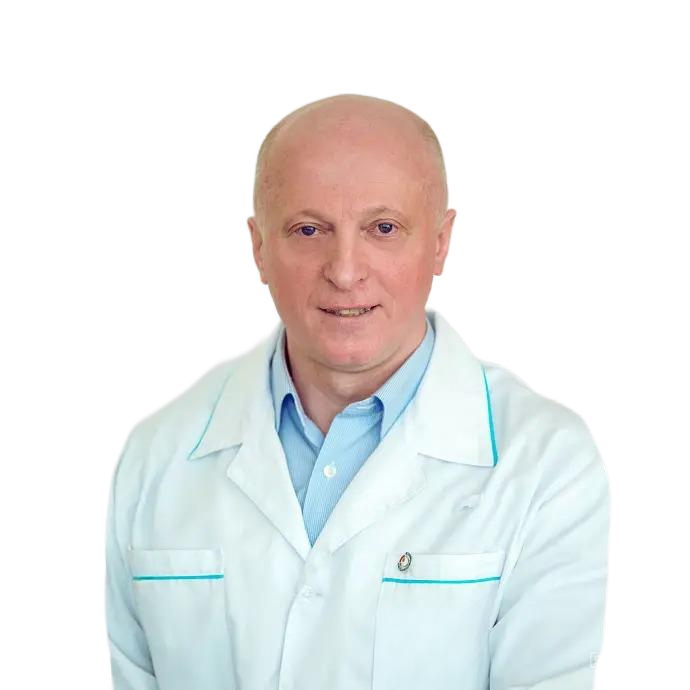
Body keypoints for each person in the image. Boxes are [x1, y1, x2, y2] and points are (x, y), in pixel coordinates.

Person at [102, 92, 612, 689]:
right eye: (309, 229)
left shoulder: (547, 461)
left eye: (383, 228)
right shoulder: (157, 450)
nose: (344, 271)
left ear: (443, 241)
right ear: (257, 247)